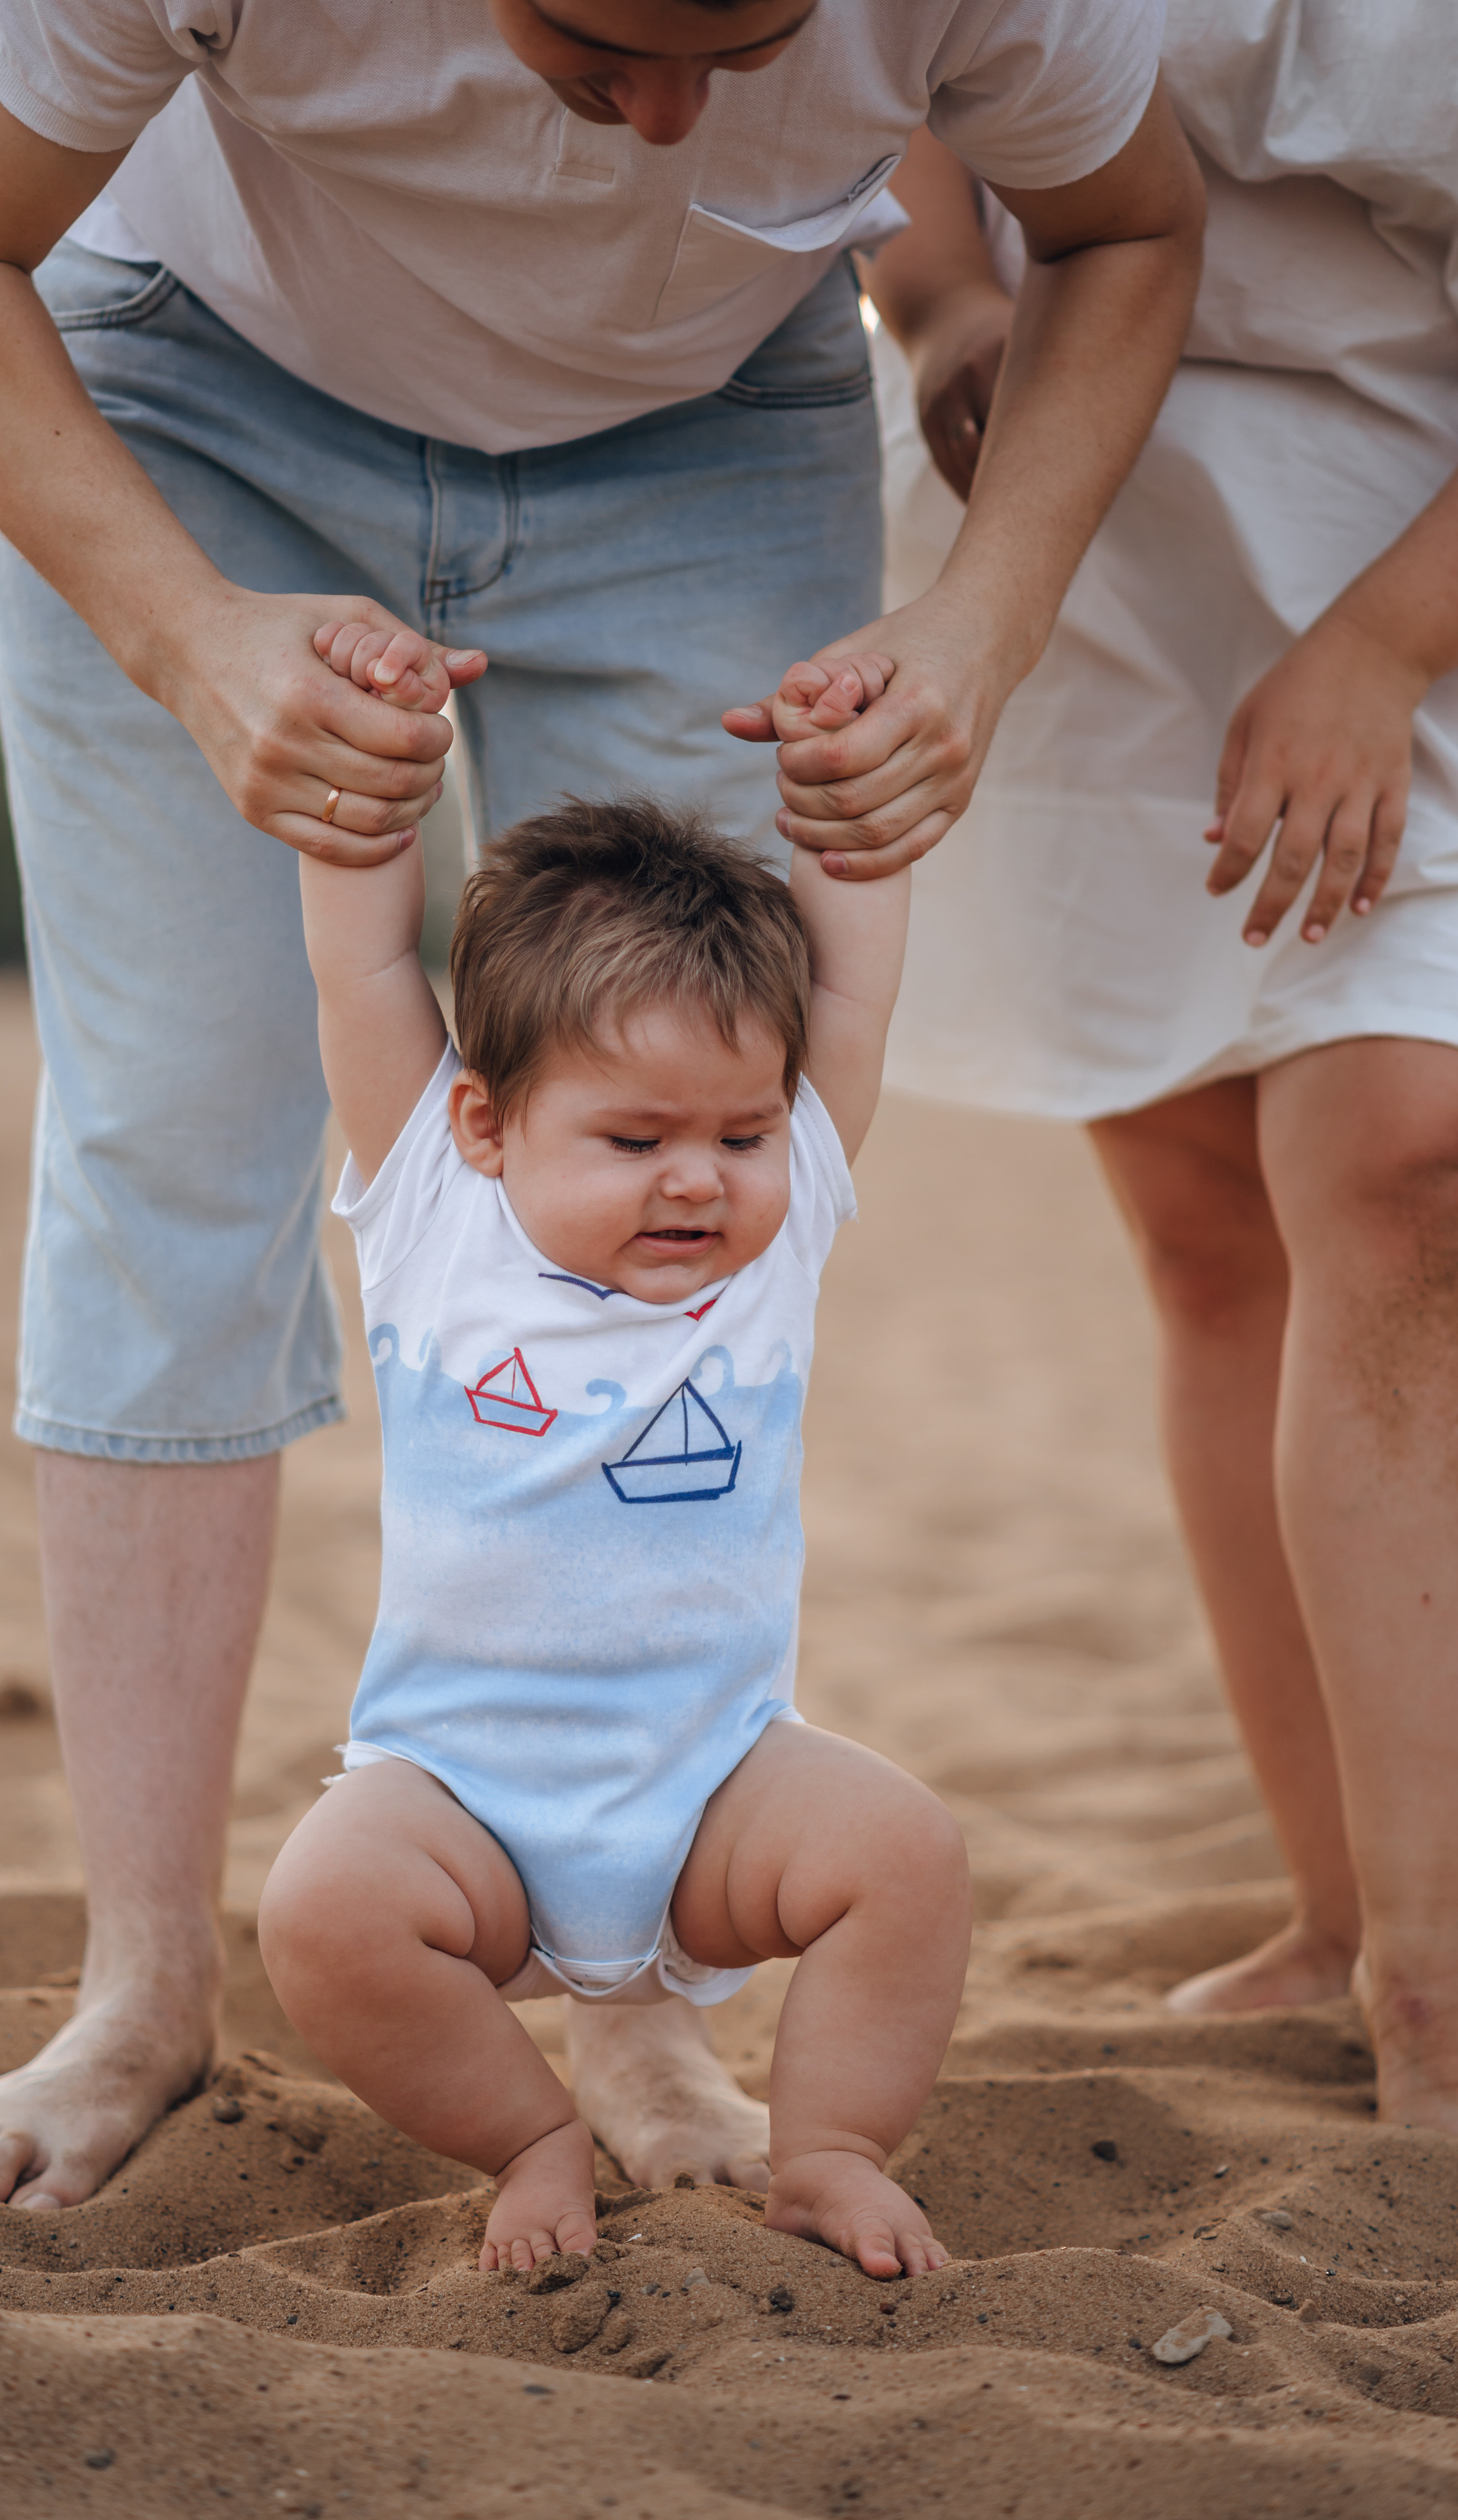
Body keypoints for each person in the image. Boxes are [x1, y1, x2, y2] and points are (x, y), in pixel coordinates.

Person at [0, 0, 1202, 2209]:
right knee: (162, 1151)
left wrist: (981, 625)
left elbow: (1136, 220)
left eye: (748, 45)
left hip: (714, 424)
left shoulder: (758, 1184)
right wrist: (190, 636)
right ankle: (144, 1984)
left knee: (692, 1045)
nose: (665, 122)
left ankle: (646, 2023)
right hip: (184, 395)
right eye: (596, 36)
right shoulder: (443, 1163)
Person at [862, 0, 1458, 2140]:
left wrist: (1381, 648)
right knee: (1212, 1238)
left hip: (1430, 522)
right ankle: (1337, 1904)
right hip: (1080, 509)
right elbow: (900, 64)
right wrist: (940, 299)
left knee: (1414, 1163)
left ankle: (1445, 1983)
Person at [259, 638, 967, 2277]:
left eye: (739, 1133)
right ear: (485, 1124)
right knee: (319, 1910)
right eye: (633, 1139)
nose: (697, 1180)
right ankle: (531, 2139)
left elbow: (848, 996)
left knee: (905, 1856)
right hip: (463, 1803)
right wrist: (373, 768)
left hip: (714, 1786)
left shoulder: (773, 1236)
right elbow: (360, 973)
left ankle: (828, 2152)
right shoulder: (436, 1215)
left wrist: (845, 796)